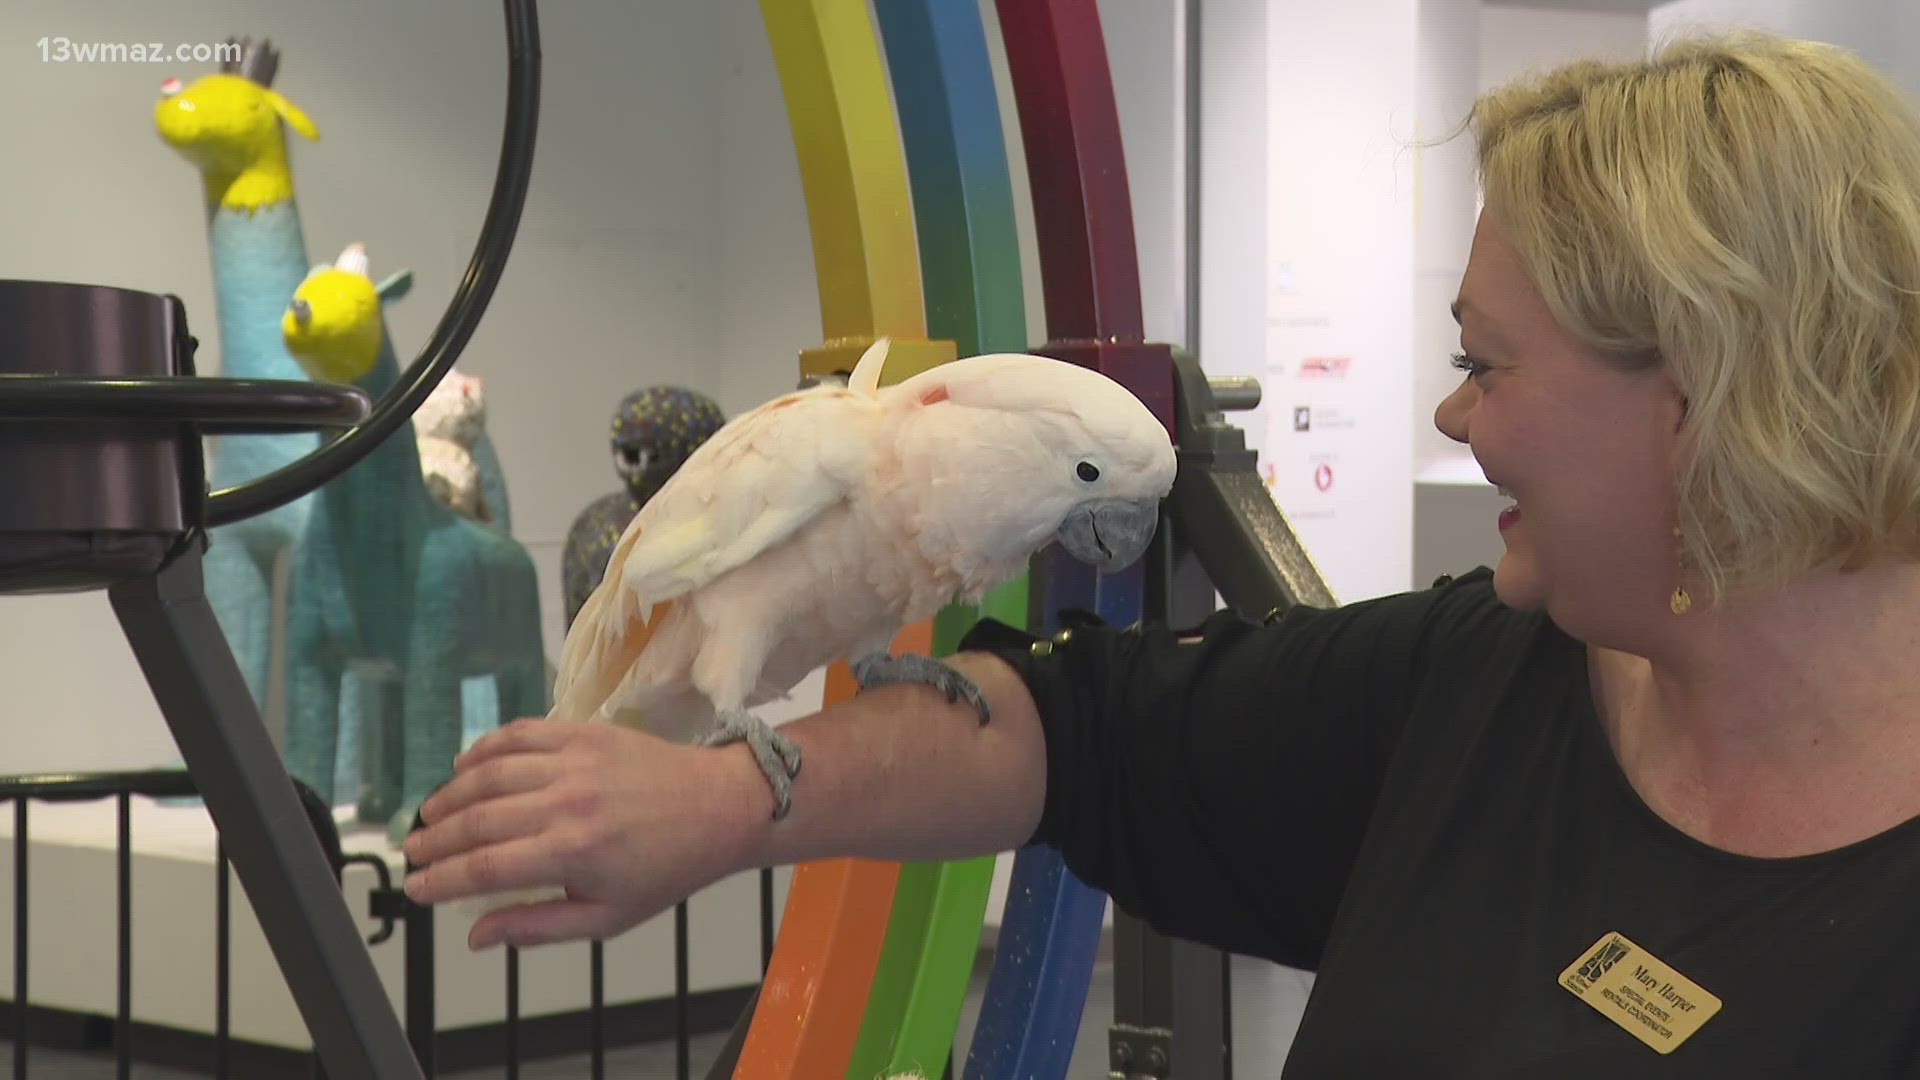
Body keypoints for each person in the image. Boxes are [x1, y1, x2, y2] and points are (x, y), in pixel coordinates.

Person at [401, 30, 1920, 1074]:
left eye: (1491, 365)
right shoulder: (1475, 684)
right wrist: (722, 797)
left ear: (1710, 398)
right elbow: (1078, 732)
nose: (1454, 415)